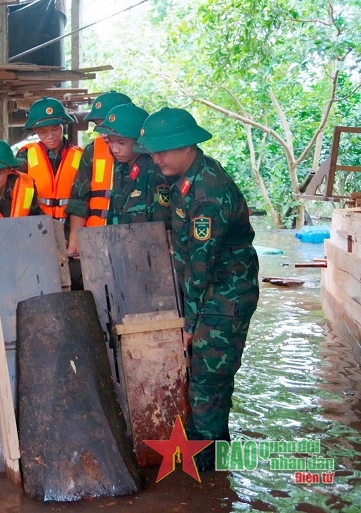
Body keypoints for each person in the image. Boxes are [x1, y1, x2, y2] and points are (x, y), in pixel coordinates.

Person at [136, 107, 260, 471]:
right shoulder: (188, 178)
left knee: (209, 386)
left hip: (224, 297)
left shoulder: (208, 191)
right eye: (153, 152)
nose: (156, 158)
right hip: (209, 293)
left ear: (187, 145)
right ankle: (212, 465)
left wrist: (189, 324)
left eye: (162, 151)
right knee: (206, 384)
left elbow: (200, 266)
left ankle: (207, 474)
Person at [65, 91, 132, 255]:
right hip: (96, 241)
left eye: (107, 125)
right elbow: (79, 200)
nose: (103, 134)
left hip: (132, 242)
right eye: (98, 125)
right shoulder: (91, 151)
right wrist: (74, 242)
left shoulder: (148, 154)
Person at [90, 102, 172, 226]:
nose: (115, 149)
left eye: (121, 143)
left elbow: (162, 225)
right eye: (110, 142)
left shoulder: (154, 171)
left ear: (138, 141)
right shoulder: (120, 168)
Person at [16, 97, 83, 238]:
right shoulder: (25, 155)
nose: (50, 136)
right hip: (36, 231)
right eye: (43, 131)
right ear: (35, 130)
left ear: (63, 126)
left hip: (72, 231)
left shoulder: (81, 156)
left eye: (55, 129)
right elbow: (18, 196)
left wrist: (74, 237)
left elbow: (83, 200)